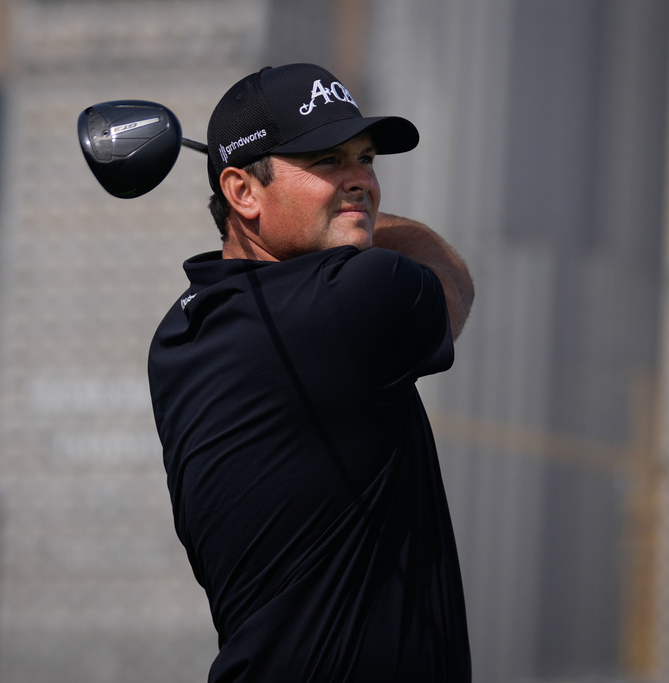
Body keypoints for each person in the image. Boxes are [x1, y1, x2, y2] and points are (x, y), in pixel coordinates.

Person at [148, 63, 475, 683]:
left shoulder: (180, 333)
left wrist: (339, 209)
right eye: (327, 162)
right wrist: (364, 222)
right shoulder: (356, 299)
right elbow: (450, 278)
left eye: (366, 160)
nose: (361, 182)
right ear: (242, 192)